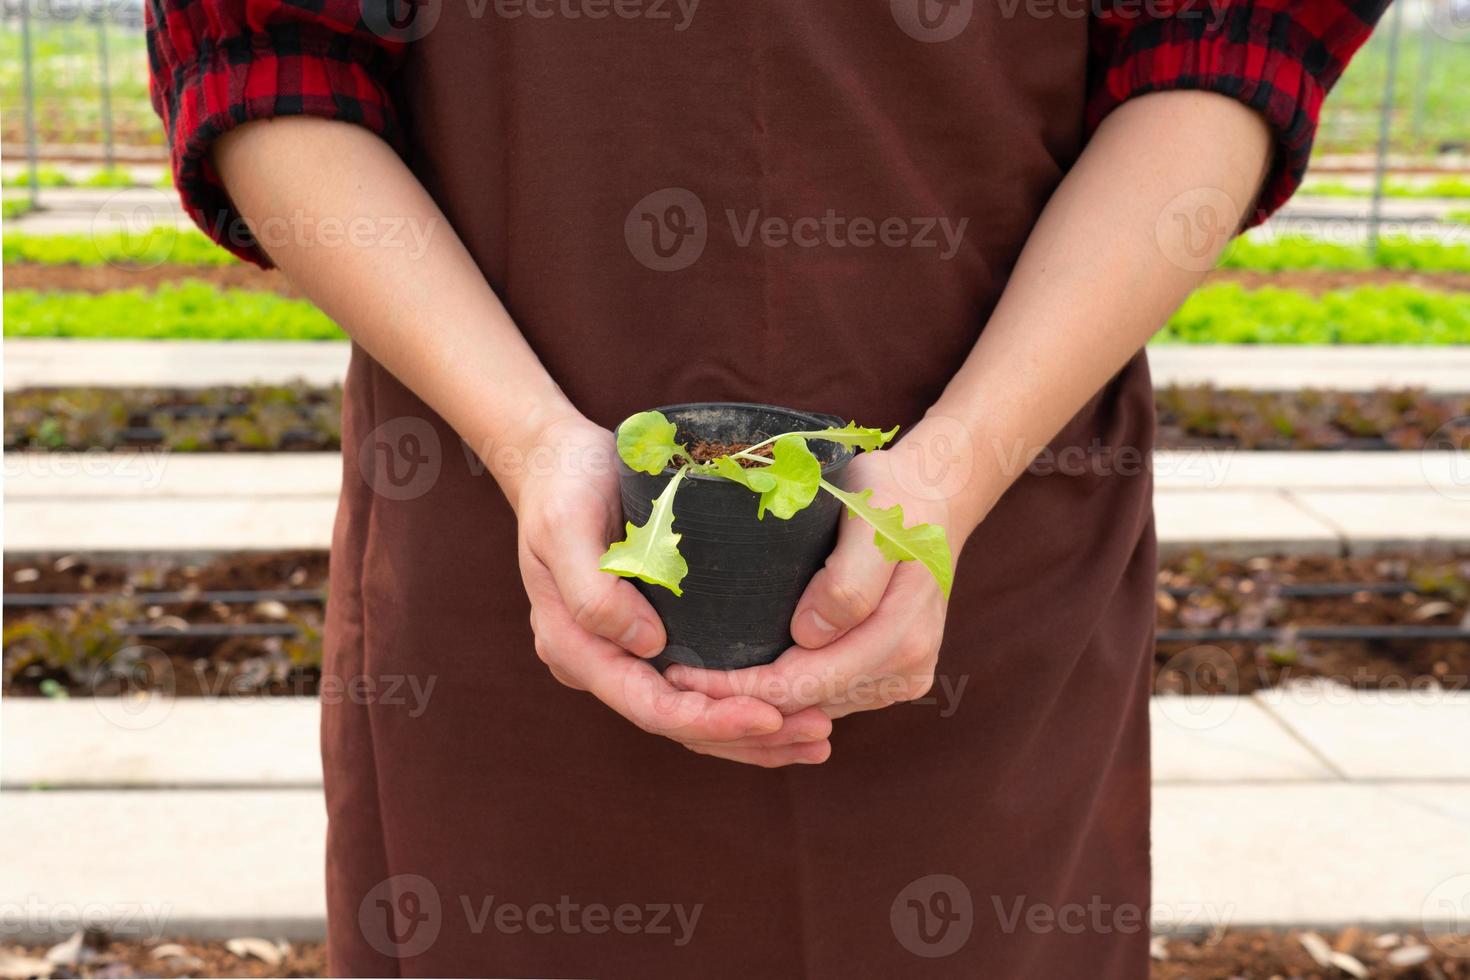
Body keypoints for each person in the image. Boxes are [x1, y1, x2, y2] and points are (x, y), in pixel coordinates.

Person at [148, 0, 1385, 974]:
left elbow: (1219, 49)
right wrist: (530, 445)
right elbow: (270, 60)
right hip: (501, 526)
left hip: (998, 544)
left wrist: (950, 473)